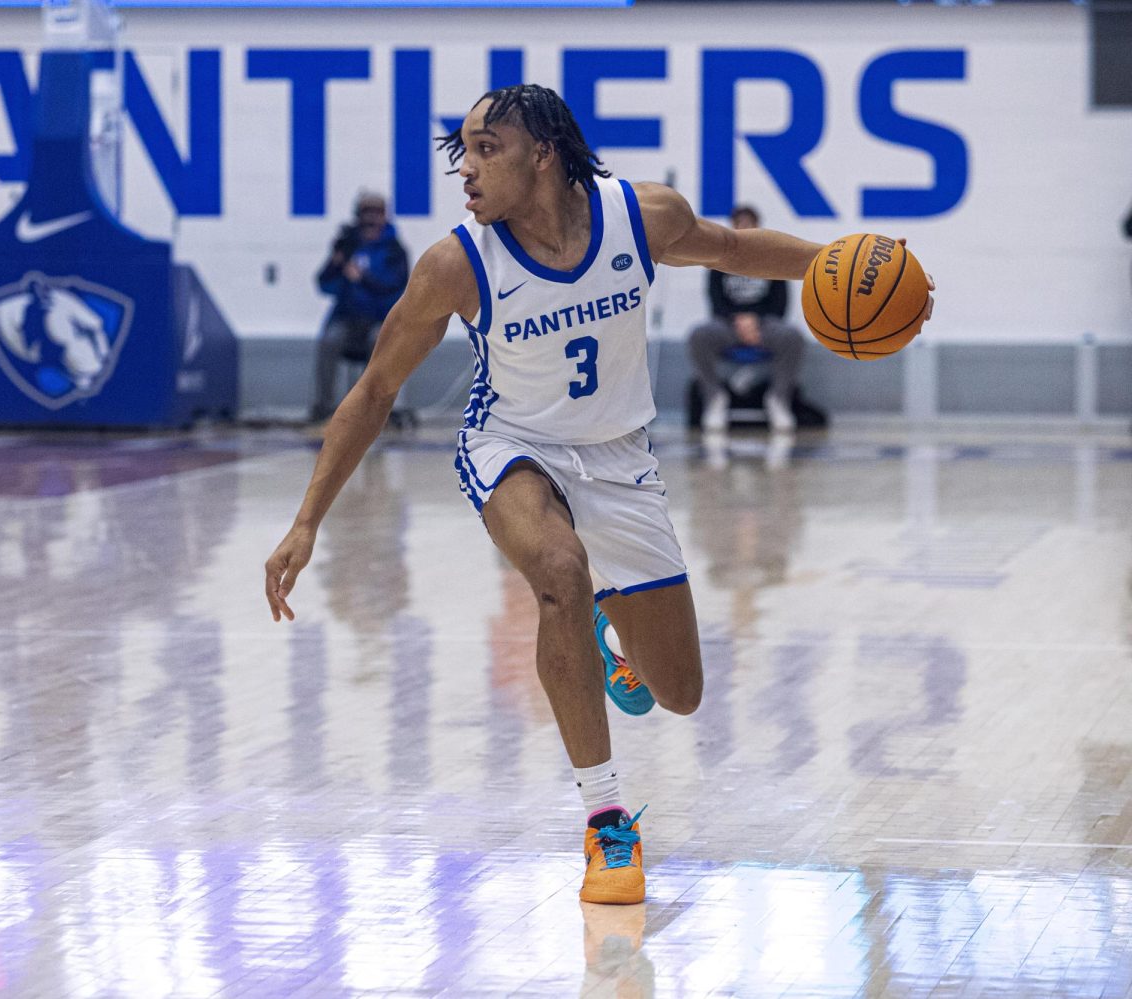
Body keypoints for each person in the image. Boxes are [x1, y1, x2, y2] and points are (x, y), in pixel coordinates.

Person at [265, 84, 934, 905]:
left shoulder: (639, 216)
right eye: (462, 153)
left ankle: (610, 639)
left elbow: (729, 248)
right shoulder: (456, 262)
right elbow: (373, 391)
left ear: (543, 152)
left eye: (487, 150)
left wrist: (847, 261)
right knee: (558, 567)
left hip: (619, 460)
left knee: (679, 692)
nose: (466, 172)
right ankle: (608, 821)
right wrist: (306, 522)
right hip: (512, 446)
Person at [688, 205, 807, 434]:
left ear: (757, 228)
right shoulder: (718, 260)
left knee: (792, 337)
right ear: (732, 227)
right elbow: (716, 302)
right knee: (699, 335)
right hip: (728, 325)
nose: (744, 229)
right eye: (739, 224)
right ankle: (714, 398)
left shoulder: (772, 259)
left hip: (764, 325)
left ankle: (778, 399)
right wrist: (739, 321)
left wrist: (754, 321)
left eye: (748, 224)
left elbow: (780, 304)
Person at [311, 193, 409, 421]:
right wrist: (336, 264)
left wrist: (363, 279)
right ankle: (324, 405)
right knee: (329, 340)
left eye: (376, 213)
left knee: (384, 344)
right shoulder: (348, 245)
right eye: (366, 213)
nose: (371, 219)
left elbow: (396, 287)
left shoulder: (394, 249)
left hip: (378, 319)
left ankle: (384, 408)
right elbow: (324, 284)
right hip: (347, 319)